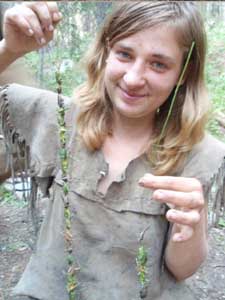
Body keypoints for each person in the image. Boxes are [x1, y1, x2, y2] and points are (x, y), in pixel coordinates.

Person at [0, 2, 224, 300]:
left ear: (184, 72)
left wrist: (191, 226)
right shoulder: (61, 119)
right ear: (106, 51)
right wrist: (9, 49)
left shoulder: (198, 154)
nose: (133, 78)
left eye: (158, 64)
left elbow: (181, 269)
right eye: (125, 54)